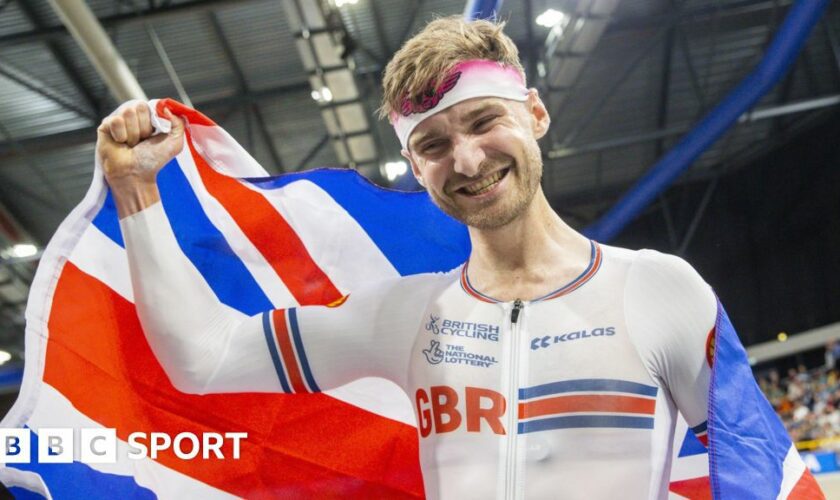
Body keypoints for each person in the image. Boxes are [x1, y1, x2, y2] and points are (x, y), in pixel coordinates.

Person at [96, 17, 728, 500]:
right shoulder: (409, 317)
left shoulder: (656, 289)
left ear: (534, 113)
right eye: (434, 144)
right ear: (417, 167)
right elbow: (201, 359)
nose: (469, 160)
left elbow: (756, 465)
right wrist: (136, 191)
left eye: (485, 121)